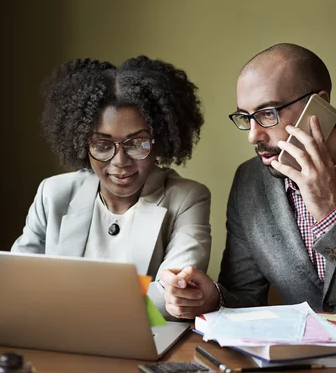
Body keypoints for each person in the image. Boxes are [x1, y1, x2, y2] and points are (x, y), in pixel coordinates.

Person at [160, 43, 336, 332]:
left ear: (320, 104)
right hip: (293, 359)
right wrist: (213, 298)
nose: (253, 135)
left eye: (267, 113)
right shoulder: (250, 181)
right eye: (246, 118)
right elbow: (246, 298)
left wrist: (332, 213)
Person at [11, 56, 211, 318]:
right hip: (56, 338)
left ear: (159, 141)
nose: (120, 161)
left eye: (137, 143)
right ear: (83, 144)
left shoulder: (187, 198)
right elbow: (16, 279)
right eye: (103, 145)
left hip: (144, 341)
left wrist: (65, 304)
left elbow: (171, 297)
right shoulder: (52, 193)